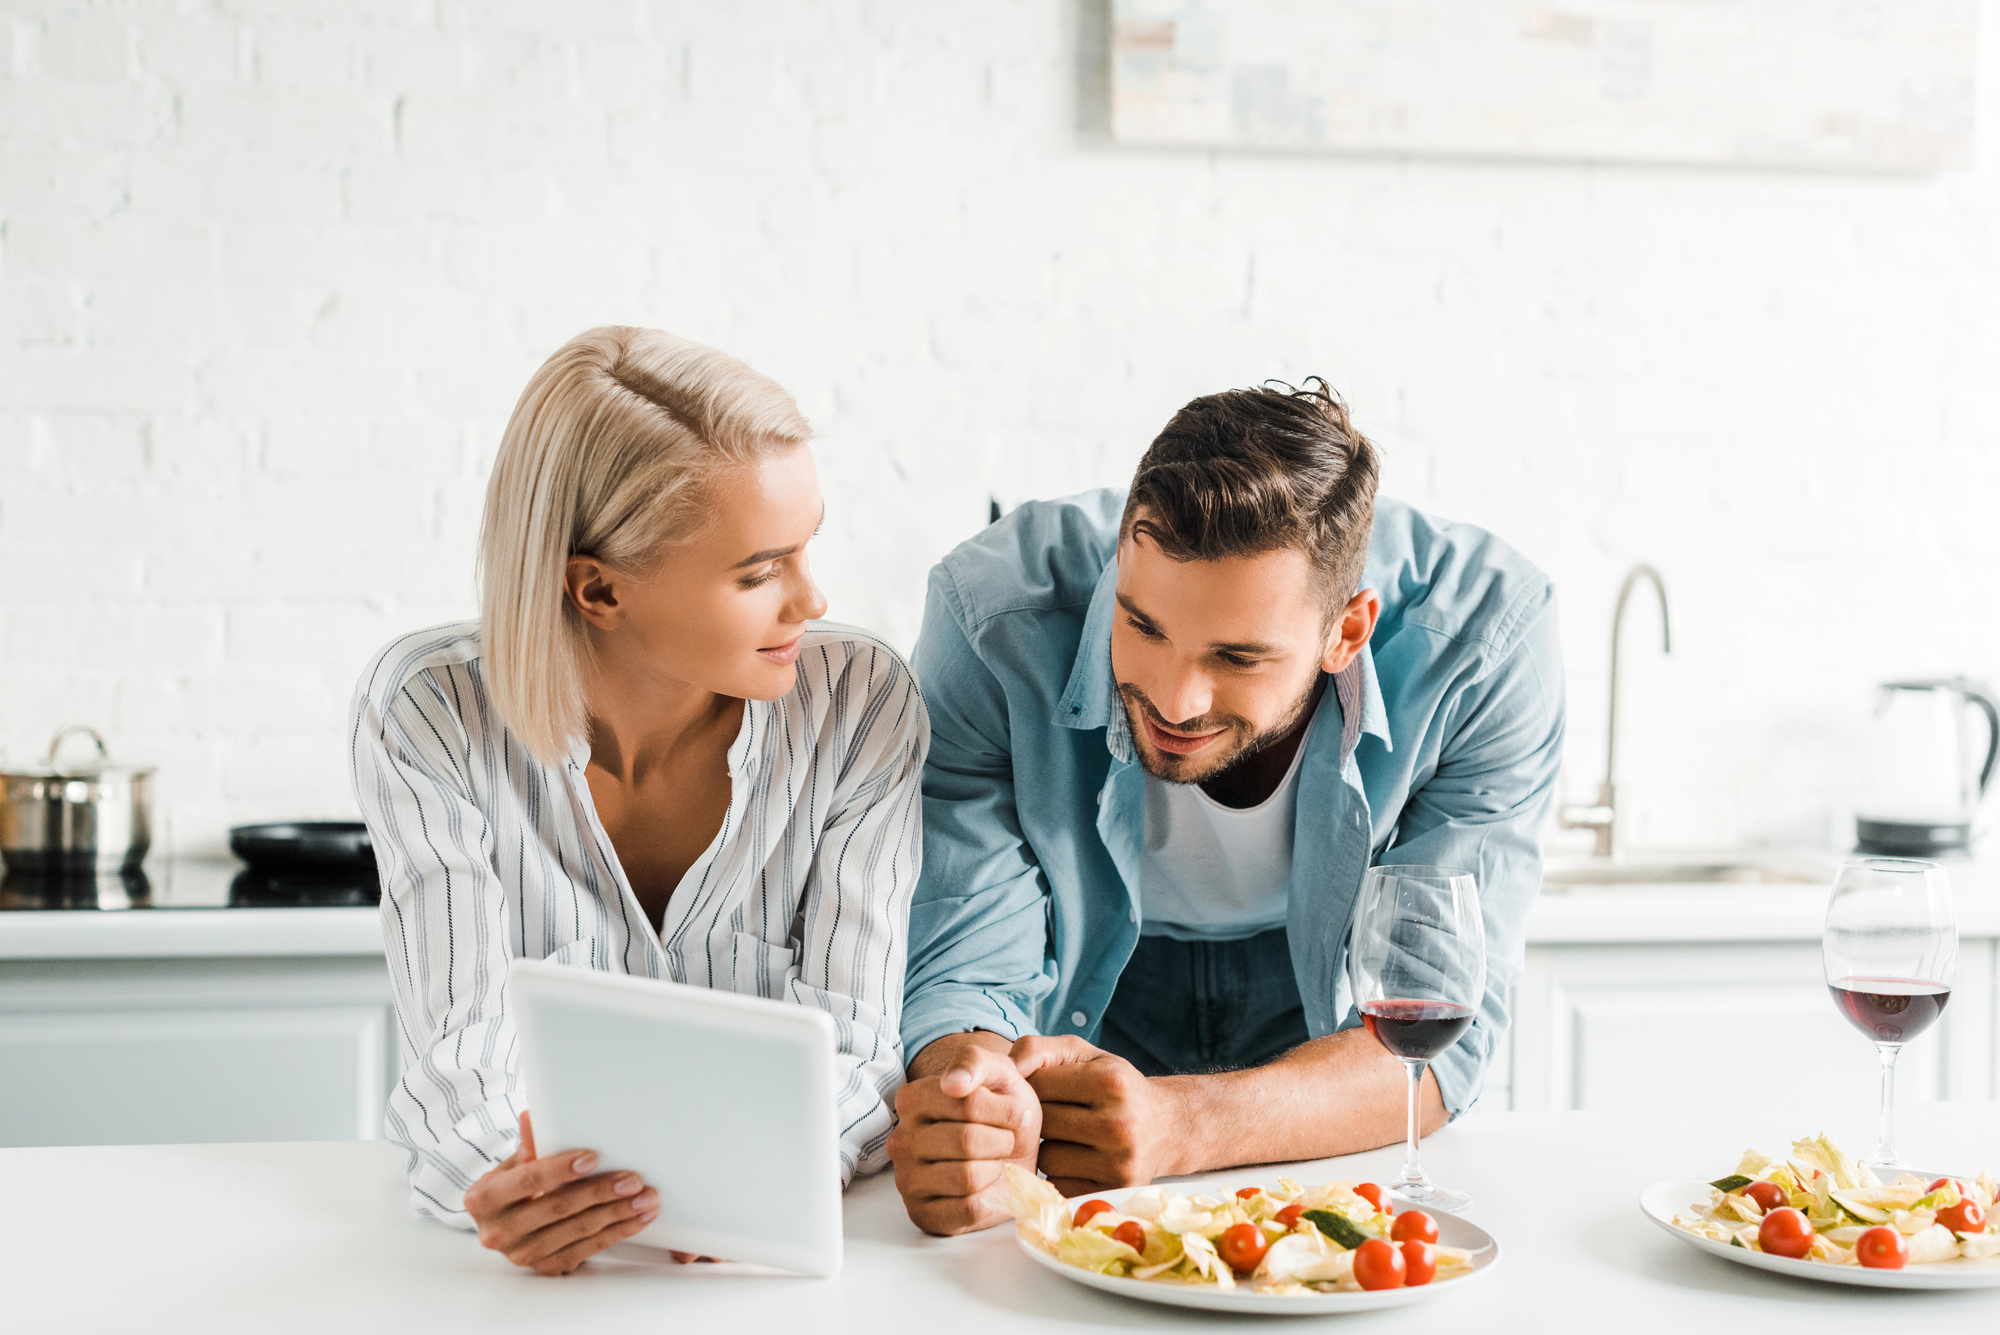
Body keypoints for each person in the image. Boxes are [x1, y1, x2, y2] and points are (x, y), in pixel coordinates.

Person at [887, 379, 1564, 1234]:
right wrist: (971, 1103)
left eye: (1237, 657)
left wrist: (1189, 1122)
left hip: (1323, 1007)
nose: (1174, 699)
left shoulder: (1485, 642)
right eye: (1142, 625)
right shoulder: (992, 616)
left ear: (1346, 633)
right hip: (1091, 991)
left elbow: (1435, 1036)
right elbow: (965, 966)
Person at [349, 327, 928, 1274]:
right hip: (535, 1290)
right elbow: (458, 1062)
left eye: (806, 546)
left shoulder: (860, 704)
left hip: (773, 1281)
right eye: (757, 572)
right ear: (599, 590)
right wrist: (515, 1184)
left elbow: (859, 1049)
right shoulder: (428, 712)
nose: (811, 598)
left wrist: (750, 1180)